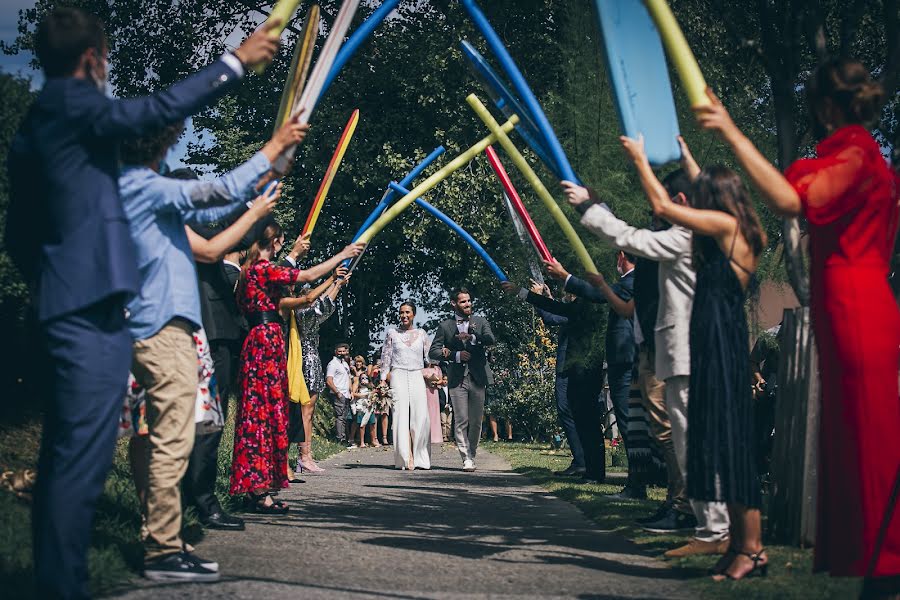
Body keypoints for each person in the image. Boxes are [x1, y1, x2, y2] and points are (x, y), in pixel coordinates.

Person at [3, 7, 280, 595]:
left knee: (73, 453)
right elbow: (153, 112)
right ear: (92, 60)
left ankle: (63, 577)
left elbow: (19, 237)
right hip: (91, 313)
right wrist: (237, 61)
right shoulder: (71, 107)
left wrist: (53, 279)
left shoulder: (46, 132)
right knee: (81, 454)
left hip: (75, 305)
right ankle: (63, 581)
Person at [694, 59, 900, 584]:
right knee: (853, 436)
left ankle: (886, 566)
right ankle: (871, 565)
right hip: (848, 306)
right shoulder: (860, 157)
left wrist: (729, 128)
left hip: (856, 308)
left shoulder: (855, 156)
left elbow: (790, 199)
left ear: (828, 106)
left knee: (868, 435)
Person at [119, 120, 297, 580]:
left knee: (149, 433)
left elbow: (214, 246)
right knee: (168, 436)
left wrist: (256, 208)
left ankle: (161, 535)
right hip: (160, 329)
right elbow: (219, 212)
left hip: (151, 329)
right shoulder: (147, 195)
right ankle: (162, 545)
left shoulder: (151, 212)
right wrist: (269, 160)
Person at [563, 142, 730, 551]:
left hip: (686, 352)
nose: (657, 209)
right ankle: (705, 521)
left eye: (666, 201)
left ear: (681, 202)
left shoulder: (685, 236)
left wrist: (587, 206)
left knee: (691, 440)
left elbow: (626, 236)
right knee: (690, 440)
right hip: (688, 349)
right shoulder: (702, 233)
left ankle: (714, 529)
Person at [620, 131, 768, 581]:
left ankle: (750, 549)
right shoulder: (732, 227)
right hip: (712, 338)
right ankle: (737, 545)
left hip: (721, 342)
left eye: (704, 194)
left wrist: (641, 160)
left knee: (729, 450)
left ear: (717, 202)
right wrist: (686, 155)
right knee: (715, 448)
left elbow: (664, 209)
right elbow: (697, 194)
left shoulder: (726, 230)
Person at [229, 223, 363, 512]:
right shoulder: (262, 270)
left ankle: (258, 488)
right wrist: (343, 254)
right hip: (266, 346)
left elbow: (302, 297)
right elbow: (305, 276)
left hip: (261, 346)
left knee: (261, 417)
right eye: (281, 242)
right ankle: (259, 491)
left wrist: (332, 281)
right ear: (275, 241)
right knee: (264, 417)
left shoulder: (249, 274)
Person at [544, 252, 642, 498]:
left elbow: (599, 295)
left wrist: (566, 277)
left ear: (621, 256)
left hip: (626, 361)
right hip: (627, 361)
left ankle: (637, 485)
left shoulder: (633, 282)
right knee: (629, 422)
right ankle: (638, 482)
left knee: (629, 423)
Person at [501, 278, 607, 482]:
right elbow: (556, 307)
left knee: (585, 420)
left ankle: (590, 468)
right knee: (583, 419)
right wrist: (528, 293)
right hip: (579, 368)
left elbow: (554, 312)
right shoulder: (583, 305)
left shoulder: (589, 306)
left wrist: (523, 293)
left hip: (582, 369)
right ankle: (590, 470)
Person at [281, 269, 348, 472]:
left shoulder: (305, 312)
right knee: (304, 412)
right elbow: (322, 308)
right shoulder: (301, 313)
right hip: (304, 362)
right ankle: (303, 456)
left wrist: (337, 285)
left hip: (311, 361)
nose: (313, 299)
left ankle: (304, 456)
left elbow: (323, 308)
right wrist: (334, 283)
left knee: (307, 412)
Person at [429, 287, 496, 471]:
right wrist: (455, 355)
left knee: (475, 421)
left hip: (478, 376)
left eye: (469, 301)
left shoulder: (480, 322)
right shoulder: (445, 326)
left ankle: (472, 454)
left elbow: (491, 339)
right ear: (454, 304)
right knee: (461, 419)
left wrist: (474, 336)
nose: (468, 304)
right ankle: (465, 457)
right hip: (457, 378)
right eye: (463, 301)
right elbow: (433, 351)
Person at [532, 284, 586, 476]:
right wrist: (548, 297)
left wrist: (536, 298)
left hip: (569, 367)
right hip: (572, 365)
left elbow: (551, 318)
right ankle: (580, 459)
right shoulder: (576, 306)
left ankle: (581, 460)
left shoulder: (578, 308)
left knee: (566, 409)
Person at [382, 301, 435, 469]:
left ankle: (421, 457)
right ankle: (405, 458)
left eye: (407, 312)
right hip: (397, 374)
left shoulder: (421, 334)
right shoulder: (392, 333)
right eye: (401, 312)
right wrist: (383, 379)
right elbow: (386, 357)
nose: (404, 315)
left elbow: (430, 356)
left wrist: (435, 369)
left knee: (421, 416)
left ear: (413, 314)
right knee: (399, 416)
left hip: (417, 374)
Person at [326, 343, 354, 446]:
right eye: (339, 351)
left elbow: (349, 378)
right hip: (339, 393)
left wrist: (351, 392)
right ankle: (339, 439)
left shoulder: (345, 364)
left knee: (345, 417)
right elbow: (329, 380)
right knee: (340, 416)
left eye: (343, 351)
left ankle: (344, 438)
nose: (342, 353)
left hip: (346, 394)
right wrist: (337, 392)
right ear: (335, 352)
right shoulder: (332, 364)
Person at [423, 363, 446, 444]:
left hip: (434, 392)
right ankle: (425, 436)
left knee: (434, 413)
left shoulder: (437, 368)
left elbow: (441, 379)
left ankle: (435, 436)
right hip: (424, 391)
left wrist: (435, 382)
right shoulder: (421, 367)